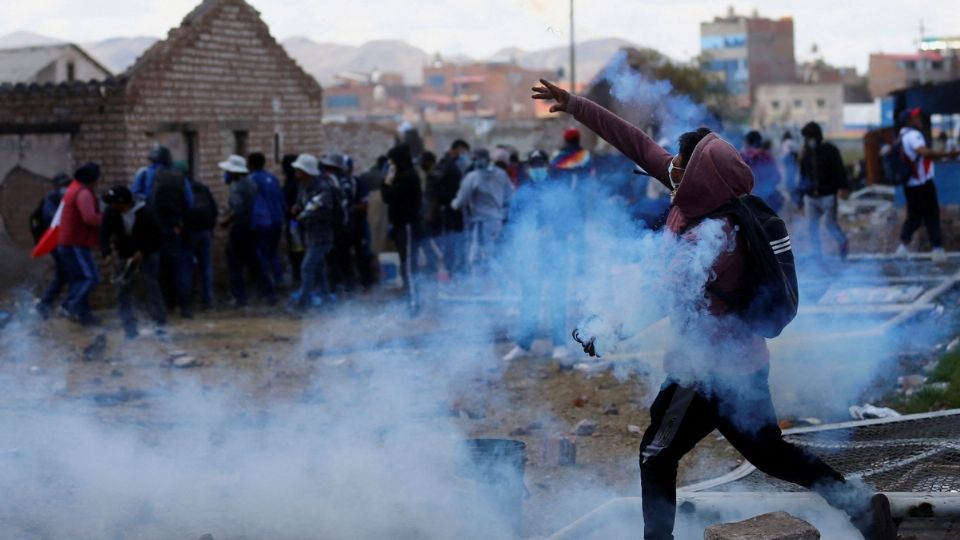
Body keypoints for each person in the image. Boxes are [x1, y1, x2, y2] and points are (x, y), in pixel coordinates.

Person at [531, 78, 897, 540]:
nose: (670, 170)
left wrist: (605, 329)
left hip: (702, 374)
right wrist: (576, 105)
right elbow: (637, 145)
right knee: (770, 453)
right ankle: (860, 508)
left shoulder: (716, 238)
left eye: (680, 165)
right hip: (744, 367)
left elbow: (661, 298)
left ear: (700, 176)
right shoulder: (701, 195)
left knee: (656, 454)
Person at [502, 149, 577, 362]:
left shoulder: (559, 192)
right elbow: (513, 224)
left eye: (540, 164)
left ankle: (560, 344)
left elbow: (571, 219)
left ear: (547, 166)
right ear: (528, 168)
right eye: (533, 165)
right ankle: (523, 345)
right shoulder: (521, 194)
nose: (537, 169)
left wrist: (554, 232)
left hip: (556, 253)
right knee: (529, 300)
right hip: (531, 255)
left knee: (557, 299)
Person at [894, 108, 960, 261]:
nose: (919, 119)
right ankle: (937, 249)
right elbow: (925, 153)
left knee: (914, 216)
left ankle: (902, 247)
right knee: (931, 215)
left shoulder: (902, 135)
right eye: (915, 117)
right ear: (909, 121)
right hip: (922, 182)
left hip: (910, 183)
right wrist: (948, 154)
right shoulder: (914, 135)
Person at [101, 185, 165, 338]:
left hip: (147, 253)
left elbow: (158, 236)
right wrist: (107, 254)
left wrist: (143, 251)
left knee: (151, 286)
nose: (112, 206)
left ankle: (159, 324)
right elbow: (104, 233)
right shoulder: (111, 212)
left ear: (123, 203)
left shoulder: (146, 212)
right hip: (124, 252)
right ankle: (130, 328)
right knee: (122, 290)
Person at [138, 146, 195, 317]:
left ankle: (160, 310)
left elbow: (136, 199)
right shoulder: (179, 177)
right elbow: (189, 203)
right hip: (173, 229)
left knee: (154, 271)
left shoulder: (145, 174)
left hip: (151, 231)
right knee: (177, 268)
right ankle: (185, 307)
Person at [220, 154, 275, 307]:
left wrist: (225, 221)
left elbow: (237, 210)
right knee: (255, 264)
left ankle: (240, 298)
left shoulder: (237, 187)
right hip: (252, 228)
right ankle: (269, 294)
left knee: (234, 265)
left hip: (240, 229)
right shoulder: (250, 183)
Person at [288, 153, 341, 311]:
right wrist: (297, 208)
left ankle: (303, 303)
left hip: (322, 236)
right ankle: (326, 300)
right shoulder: (304, 186)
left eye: (299, 169)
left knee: (307, 267)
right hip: (310, 235)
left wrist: (304, 214)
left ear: (306, 171)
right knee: (318, 269)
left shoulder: (322, 188)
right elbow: (300, 202)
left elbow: (324, 211)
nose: (296, 172)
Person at [451, 148, 513, 274]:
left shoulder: (473, 177)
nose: (477, 162)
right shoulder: (501, 173)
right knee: (494, 253)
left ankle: (481, 287)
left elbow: (461, 200)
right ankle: (499, 285)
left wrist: (454, 203)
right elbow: (510, 195)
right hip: (498, 221)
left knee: (477, 256)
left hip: (482, 222)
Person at [58, 162, 103, 325]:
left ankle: (85, 317)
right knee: (90, 278)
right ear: (93, 180)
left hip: (70, 242)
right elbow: (89, 217)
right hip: (76, 243)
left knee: (79, 279)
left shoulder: (74, 190)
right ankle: (69, 305)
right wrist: (106, 220)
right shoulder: (83, 193)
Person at [380, 143, 422, 314]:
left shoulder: (408, 176)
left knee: (409, 265)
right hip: (401, 225)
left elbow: (389, 196)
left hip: (408, 225)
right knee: (406, 263)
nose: (391, 165)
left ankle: (413, 303)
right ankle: (410, 298)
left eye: (392, 161)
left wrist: (386, 182)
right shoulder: (403, 175)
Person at [797, 121, 849, 259]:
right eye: (806, 138)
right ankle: (816, 253)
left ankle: (843, 244)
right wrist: (800, 196)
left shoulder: (830, 150)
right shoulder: (805, 153)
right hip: (810, 197)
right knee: (811, 227)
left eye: (810, 136)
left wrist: (843, 187)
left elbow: (840, 170)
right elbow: (802, 175)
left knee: (830, 224)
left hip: (828, 194)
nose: (808, 140)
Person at [31, 173, 72, 319]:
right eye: (63, 185)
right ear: (55, 187)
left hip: (62, 243)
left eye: (67, 185)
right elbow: (54, 222)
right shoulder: (51, 200)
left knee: (63, 275)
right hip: (57, 243)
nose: (65, 188)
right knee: (70, 274)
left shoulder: (61, 199)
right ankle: (66, 305)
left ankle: (45, 303)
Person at [181, 160, 218, 310]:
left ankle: (187, 301)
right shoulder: (202, 187)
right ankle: (208, 299)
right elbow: (214, 209)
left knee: (187, 267)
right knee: (206, 267)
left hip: (189, 232)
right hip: (206, 232)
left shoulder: (180, 188)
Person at [247, 152, 287, 288]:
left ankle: (266, 285)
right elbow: (281, 199)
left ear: (251, 164)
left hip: (264, 222)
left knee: (262, 253)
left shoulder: (252, 179)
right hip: (277, 219)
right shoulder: (272, 178)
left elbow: (249, 201)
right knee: (273, 252)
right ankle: (278, 278)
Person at [434, 140, 471, 275]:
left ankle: (455, 270)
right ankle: (453, 271)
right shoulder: (447, 165)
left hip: (454, 209)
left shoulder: (451, 164)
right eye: (463, 151)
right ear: (457, 149)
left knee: (455, 241)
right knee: (452, 241)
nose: (465, 154)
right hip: (451, 209)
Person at [741, 130, 784, 212]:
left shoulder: (741, 157)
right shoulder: (767, 156)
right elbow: (777, 177)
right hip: (767, 201)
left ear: (746, 142)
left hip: (747, 202)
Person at [281, 154, 306, 285]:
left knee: (297, 251)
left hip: (296, 222)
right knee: (297, 250)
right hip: (294, 222)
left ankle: (300, 279)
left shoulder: (294, 183)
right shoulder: (293, 182)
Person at [780, 132, 799, 203]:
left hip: (786, 159)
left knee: (788, 175)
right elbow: (795, 150)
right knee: (792, 176)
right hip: (790, 158)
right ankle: (792, 194)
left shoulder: (784, 142)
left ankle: (789, 191)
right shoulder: (791, 142)